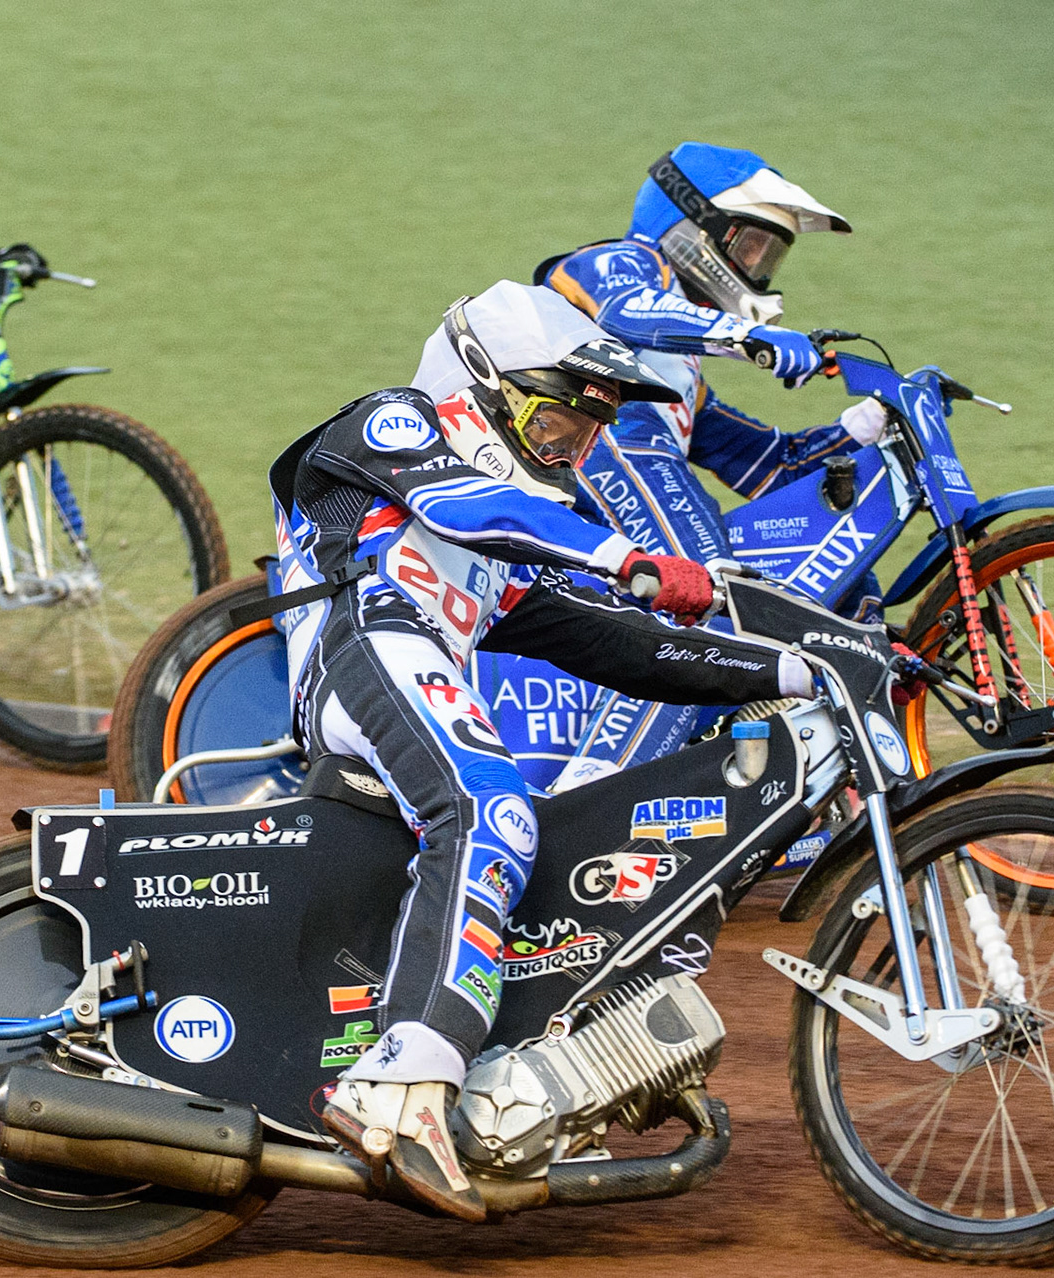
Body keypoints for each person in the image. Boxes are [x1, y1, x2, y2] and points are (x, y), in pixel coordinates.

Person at [268, 281, 815, 1218]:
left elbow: (626, 646)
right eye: (553, 421)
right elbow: (472, 508)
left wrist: (804, 669)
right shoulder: (391, 425)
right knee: (490, 808)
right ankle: (398, 1087)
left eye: (586, 434)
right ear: (478, 382)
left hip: (403, 652)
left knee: (534, 835)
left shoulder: (494, 554)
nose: (569, 451)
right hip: (358, 640)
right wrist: (626, 558)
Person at [527, 141, 890, 787]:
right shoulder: (620, 263)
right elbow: (629, 312)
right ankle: (596, 786)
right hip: (576, 444)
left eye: (771, 254)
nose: (759, 267)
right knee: (703, 593)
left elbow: (771, 466)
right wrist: (748, 336)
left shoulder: (682, 380)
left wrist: (860, 428)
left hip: (606, 466)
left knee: (766, 595)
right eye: (750, 245)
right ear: (692, 226)